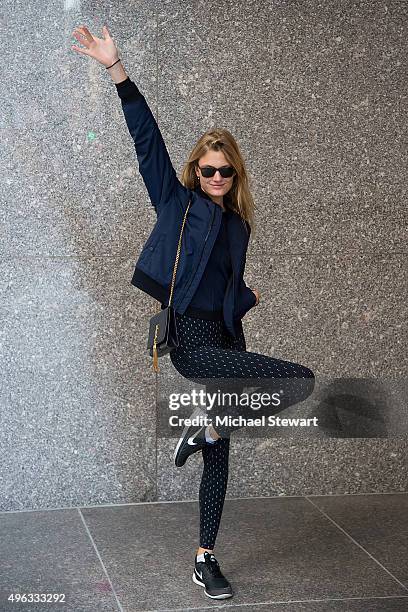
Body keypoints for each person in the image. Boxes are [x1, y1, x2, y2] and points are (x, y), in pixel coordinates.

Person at [71, 24, 315, 601]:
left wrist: (244, 298)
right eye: (206, 169)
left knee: (288, 392)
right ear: (194, 171)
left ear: (235, 177)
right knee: (233, 414)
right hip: (189, 340)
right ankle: (204, 426)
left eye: (223, 171)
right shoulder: (176, 203)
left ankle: (205, 554)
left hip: (224, 340)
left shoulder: (239, 225)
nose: (214, 178)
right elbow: (147, 142)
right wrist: (117, 72)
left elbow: (225, 284)